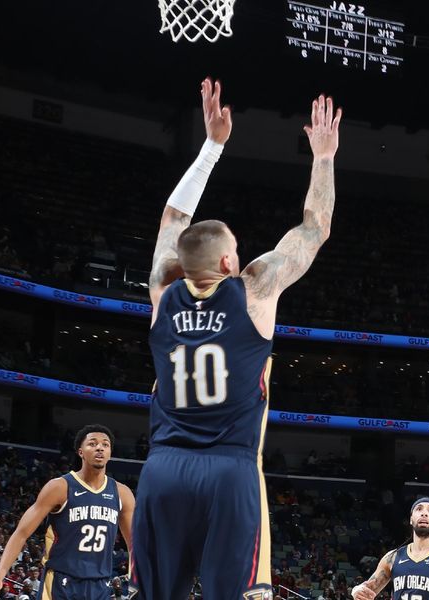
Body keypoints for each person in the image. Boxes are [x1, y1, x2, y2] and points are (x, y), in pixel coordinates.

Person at [130, 77, 342, 600]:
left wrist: (211, 147)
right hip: (229, 469)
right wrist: (323, 157)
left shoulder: (162, 289)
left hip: (162, 469)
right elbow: (315, 228)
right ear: (229, 261)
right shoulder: (253, 290)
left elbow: (173, 217)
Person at [0, 425, 135, 600]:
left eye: (105, 444)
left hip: (101, 585)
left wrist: (140, 580)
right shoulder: (59, 487)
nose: (100, 448)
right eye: (92, 444)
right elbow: (21, 533)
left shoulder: (122, 493)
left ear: (110, 452)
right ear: (80, 451)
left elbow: (135, 543)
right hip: (61, 582)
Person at [350, 497, 429, 600]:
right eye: (419, 509)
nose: (424, 513)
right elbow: (366, 591)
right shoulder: (393, 557)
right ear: (411, 519)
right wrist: (356, 590)